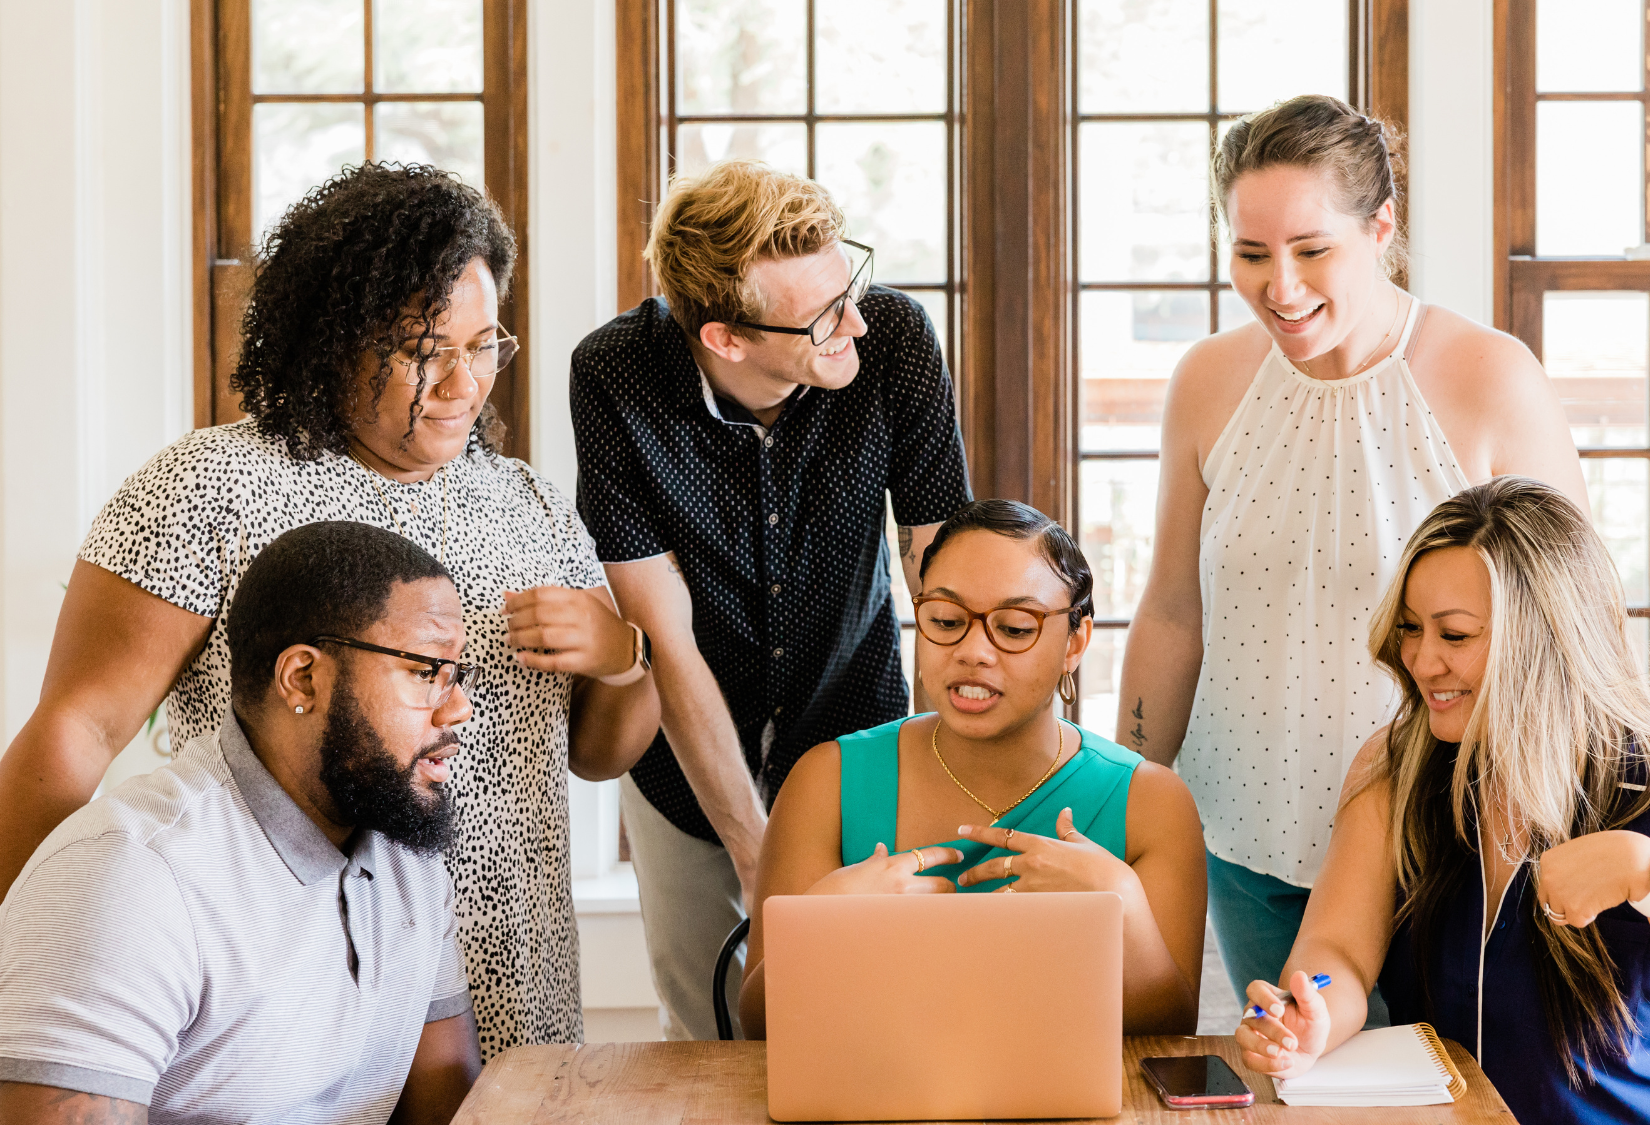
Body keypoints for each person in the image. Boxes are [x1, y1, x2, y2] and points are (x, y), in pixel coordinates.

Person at [0, 163, 660, 1052]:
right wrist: (22, 953)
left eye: (484, 345)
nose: (465, 384)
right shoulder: (209, 486)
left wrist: (624, 658)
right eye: (425, 352)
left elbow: (599, 753)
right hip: (294, 992)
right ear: (335, 338)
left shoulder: (528, 505)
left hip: (516, 975)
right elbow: (75, 729)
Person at [1118, 93, 1589, 1010]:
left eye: (1311, 249)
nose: (1280, 287)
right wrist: (1127, 796)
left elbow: (1572, 626)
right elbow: (1174, 610)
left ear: (1380, 227)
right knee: (1298, 1071)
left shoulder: (1491, 378)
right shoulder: (1207, 381)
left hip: (1442, 843)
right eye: (1251, 254)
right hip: (1245, 843)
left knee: (1445, 1078)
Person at [572, 159, 972, 1039]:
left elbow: (946, 589)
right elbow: (662, 634)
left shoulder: (892, 339)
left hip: (854, 724)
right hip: (682, 758)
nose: (854, 321)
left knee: (872, 1020)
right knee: (709, 1026)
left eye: (849, 288)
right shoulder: (614, 373)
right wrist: (758, 858)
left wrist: (949, 790)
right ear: (726, 338)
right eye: (824, 315)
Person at [0, 521, 483, 1125]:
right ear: (302, 678)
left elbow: (450, 1109)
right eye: (424, 671)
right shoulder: (128, 876)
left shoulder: (406, 858)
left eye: (456, 673)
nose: (459, 707)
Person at [1239, 477, 1650, 1124]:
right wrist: (1309, 1016)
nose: (1421, 660)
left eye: (1454, 635)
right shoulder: (1394, 768)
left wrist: (1641, 868)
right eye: (1411, 628)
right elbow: (1337, 949)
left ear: (1548, 636)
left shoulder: (1639, 782)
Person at [737, 500, 1206, 1039]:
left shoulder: (1152, 803)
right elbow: (759, 1026)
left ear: (1074, 643)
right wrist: (825, 928)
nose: (973, 651)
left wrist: (1120, 902)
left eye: (1015, 628)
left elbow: (1171, 1032)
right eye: (946, 620)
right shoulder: (827, 781)